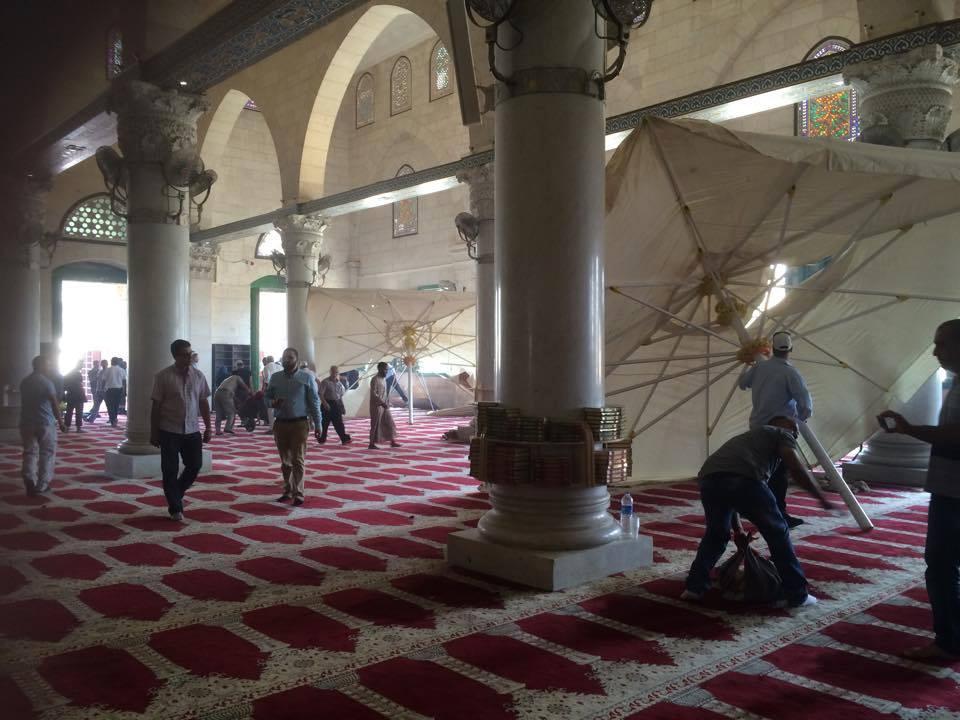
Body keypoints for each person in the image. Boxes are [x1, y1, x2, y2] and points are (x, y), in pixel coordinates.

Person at [682, 416, 835, 608]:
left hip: (708, 479)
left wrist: (738, 529)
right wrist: (822, 498)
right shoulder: (782, 433)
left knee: (716, 534)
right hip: (746, 479)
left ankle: (694, 587)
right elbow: (796, 468)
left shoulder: (747, 439)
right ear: (785, 427)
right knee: (778, 532)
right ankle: (797, 594)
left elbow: (727, 484)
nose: (795, 436)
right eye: (794, 431)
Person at [878, 319, 960, 661]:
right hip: (949, 487)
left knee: (941, 563)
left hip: (954, 492)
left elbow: (956, 436)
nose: (935, 352)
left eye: (942, 344)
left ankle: (948, 643)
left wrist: (908, 428)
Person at [737, 330, 812, 528]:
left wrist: (750, 362)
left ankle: (751, 508)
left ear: (772, 347)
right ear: (791, 349)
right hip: (779, 429)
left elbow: (742, 383)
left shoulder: (760, 367)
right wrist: (798, 420)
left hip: (757, 426)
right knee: (779, 475)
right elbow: (806, 405)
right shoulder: (790, 373)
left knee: (761, 470)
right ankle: (778, 514)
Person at [150, 339, 212, 521]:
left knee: (195, 465)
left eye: (190, 354)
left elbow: (203, 402)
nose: (189, 357)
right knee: (170, 469)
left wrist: (208, 427)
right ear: (175, 356)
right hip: (169, 430)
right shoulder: (163, 377)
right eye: (185, 355)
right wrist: (154, 432)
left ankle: (175, 492)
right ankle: (175, 507)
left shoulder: (198, 376)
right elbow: (156, 406)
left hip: (192, 430)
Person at [264, 347, 322, 506]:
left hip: (299, 424)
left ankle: (299, 493)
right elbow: (266, 397)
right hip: (281, 424)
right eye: (284, 357)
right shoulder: (275, 378)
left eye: (290, 357)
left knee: (298, 459)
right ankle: (288, 490)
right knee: (285, 461)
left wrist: (318, 424)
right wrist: (272, 402)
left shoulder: (306, 378)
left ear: (297, 360)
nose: (286, 360)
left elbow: (314, 402)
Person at [20, 356, 65, 496]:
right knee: (47, 453)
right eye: (48, 365)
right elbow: (54, 404)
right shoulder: (46, 382)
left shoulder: (25, 381)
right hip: (45, 422)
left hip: (26, 422)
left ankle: (29, 479)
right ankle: (42, 484)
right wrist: (61, 422)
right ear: (41, 365)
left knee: (29, 452)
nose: (49, 367)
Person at [369, 361, 400, 449]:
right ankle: (371, 444)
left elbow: (385, 393)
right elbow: (373, 394)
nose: (386, 371)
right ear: (380, 369)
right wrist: (382, 403)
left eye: (387, 370)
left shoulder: (383, 379)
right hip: (376, 406)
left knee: (390, 422)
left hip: (384, 405)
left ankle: (392, 441)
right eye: (385, 369)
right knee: (375, 425)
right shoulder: (375, 379)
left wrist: (387, 402)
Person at [318, 365, 351, 444]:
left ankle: (344, 438)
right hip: (327, 403)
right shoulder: (325, 382)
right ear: (330, 372)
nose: (335, 374)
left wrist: (342, 407)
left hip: (336, 404)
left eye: (336, 372)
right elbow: (321, 394)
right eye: (333, 372)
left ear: (338, 373)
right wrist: (325, 403)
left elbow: (340, 397)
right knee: (325, 423)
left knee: (339, 422)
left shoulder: (339, 383)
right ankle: (322, 438)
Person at [101, 356, 127, 427]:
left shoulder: (107, 370)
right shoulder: (122, 370)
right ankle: (114, 418)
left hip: (109, 390)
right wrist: (124, 390)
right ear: (118, 362)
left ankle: (112, 420)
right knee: (116, 405)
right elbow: (124, 381)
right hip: (118, 389)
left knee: (110, 405)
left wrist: (102, 389)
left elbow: (103, 381)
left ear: (111, 362)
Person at [260, 355, 282, 432]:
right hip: (281, 389)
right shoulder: (280, 367)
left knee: (271, 409)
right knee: (279, 408)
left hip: (272, 389)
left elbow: (267, 380)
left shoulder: (266, 367)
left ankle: (272, 428)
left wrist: (265, 391)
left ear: (267, 361)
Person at [63, 360, 86, 431]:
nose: (82, 366)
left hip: (71, 394)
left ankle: (67, 427)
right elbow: (79, 383)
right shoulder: (77, 373)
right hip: (78, 395)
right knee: (79, 412)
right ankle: (78, 428)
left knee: (69, 411)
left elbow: (65, 383)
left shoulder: (71, 372)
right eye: (82, 364)